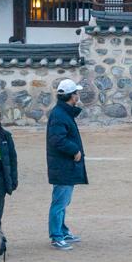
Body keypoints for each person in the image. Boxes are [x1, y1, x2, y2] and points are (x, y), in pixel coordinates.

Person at [45, 79, 86, 250]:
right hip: (63, 165)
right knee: (60, 202)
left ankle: (61, 230)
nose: (78, 95)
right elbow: (57, 139)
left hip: (64, 165)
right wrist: (75, 150)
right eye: (76, 92)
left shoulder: (62, 113)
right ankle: (56, 235)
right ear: (71, 96)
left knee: (63, 201)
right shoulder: (60, 114)